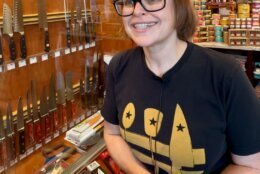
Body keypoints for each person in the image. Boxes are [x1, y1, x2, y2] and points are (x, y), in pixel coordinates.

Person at [101, 0, 260, 173]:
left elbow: (251, 166)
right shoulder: (119, 66)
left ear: (180, 6)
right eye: (128, 2)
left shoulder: (225, 75)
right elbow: (112, 133)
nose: (137, 11)